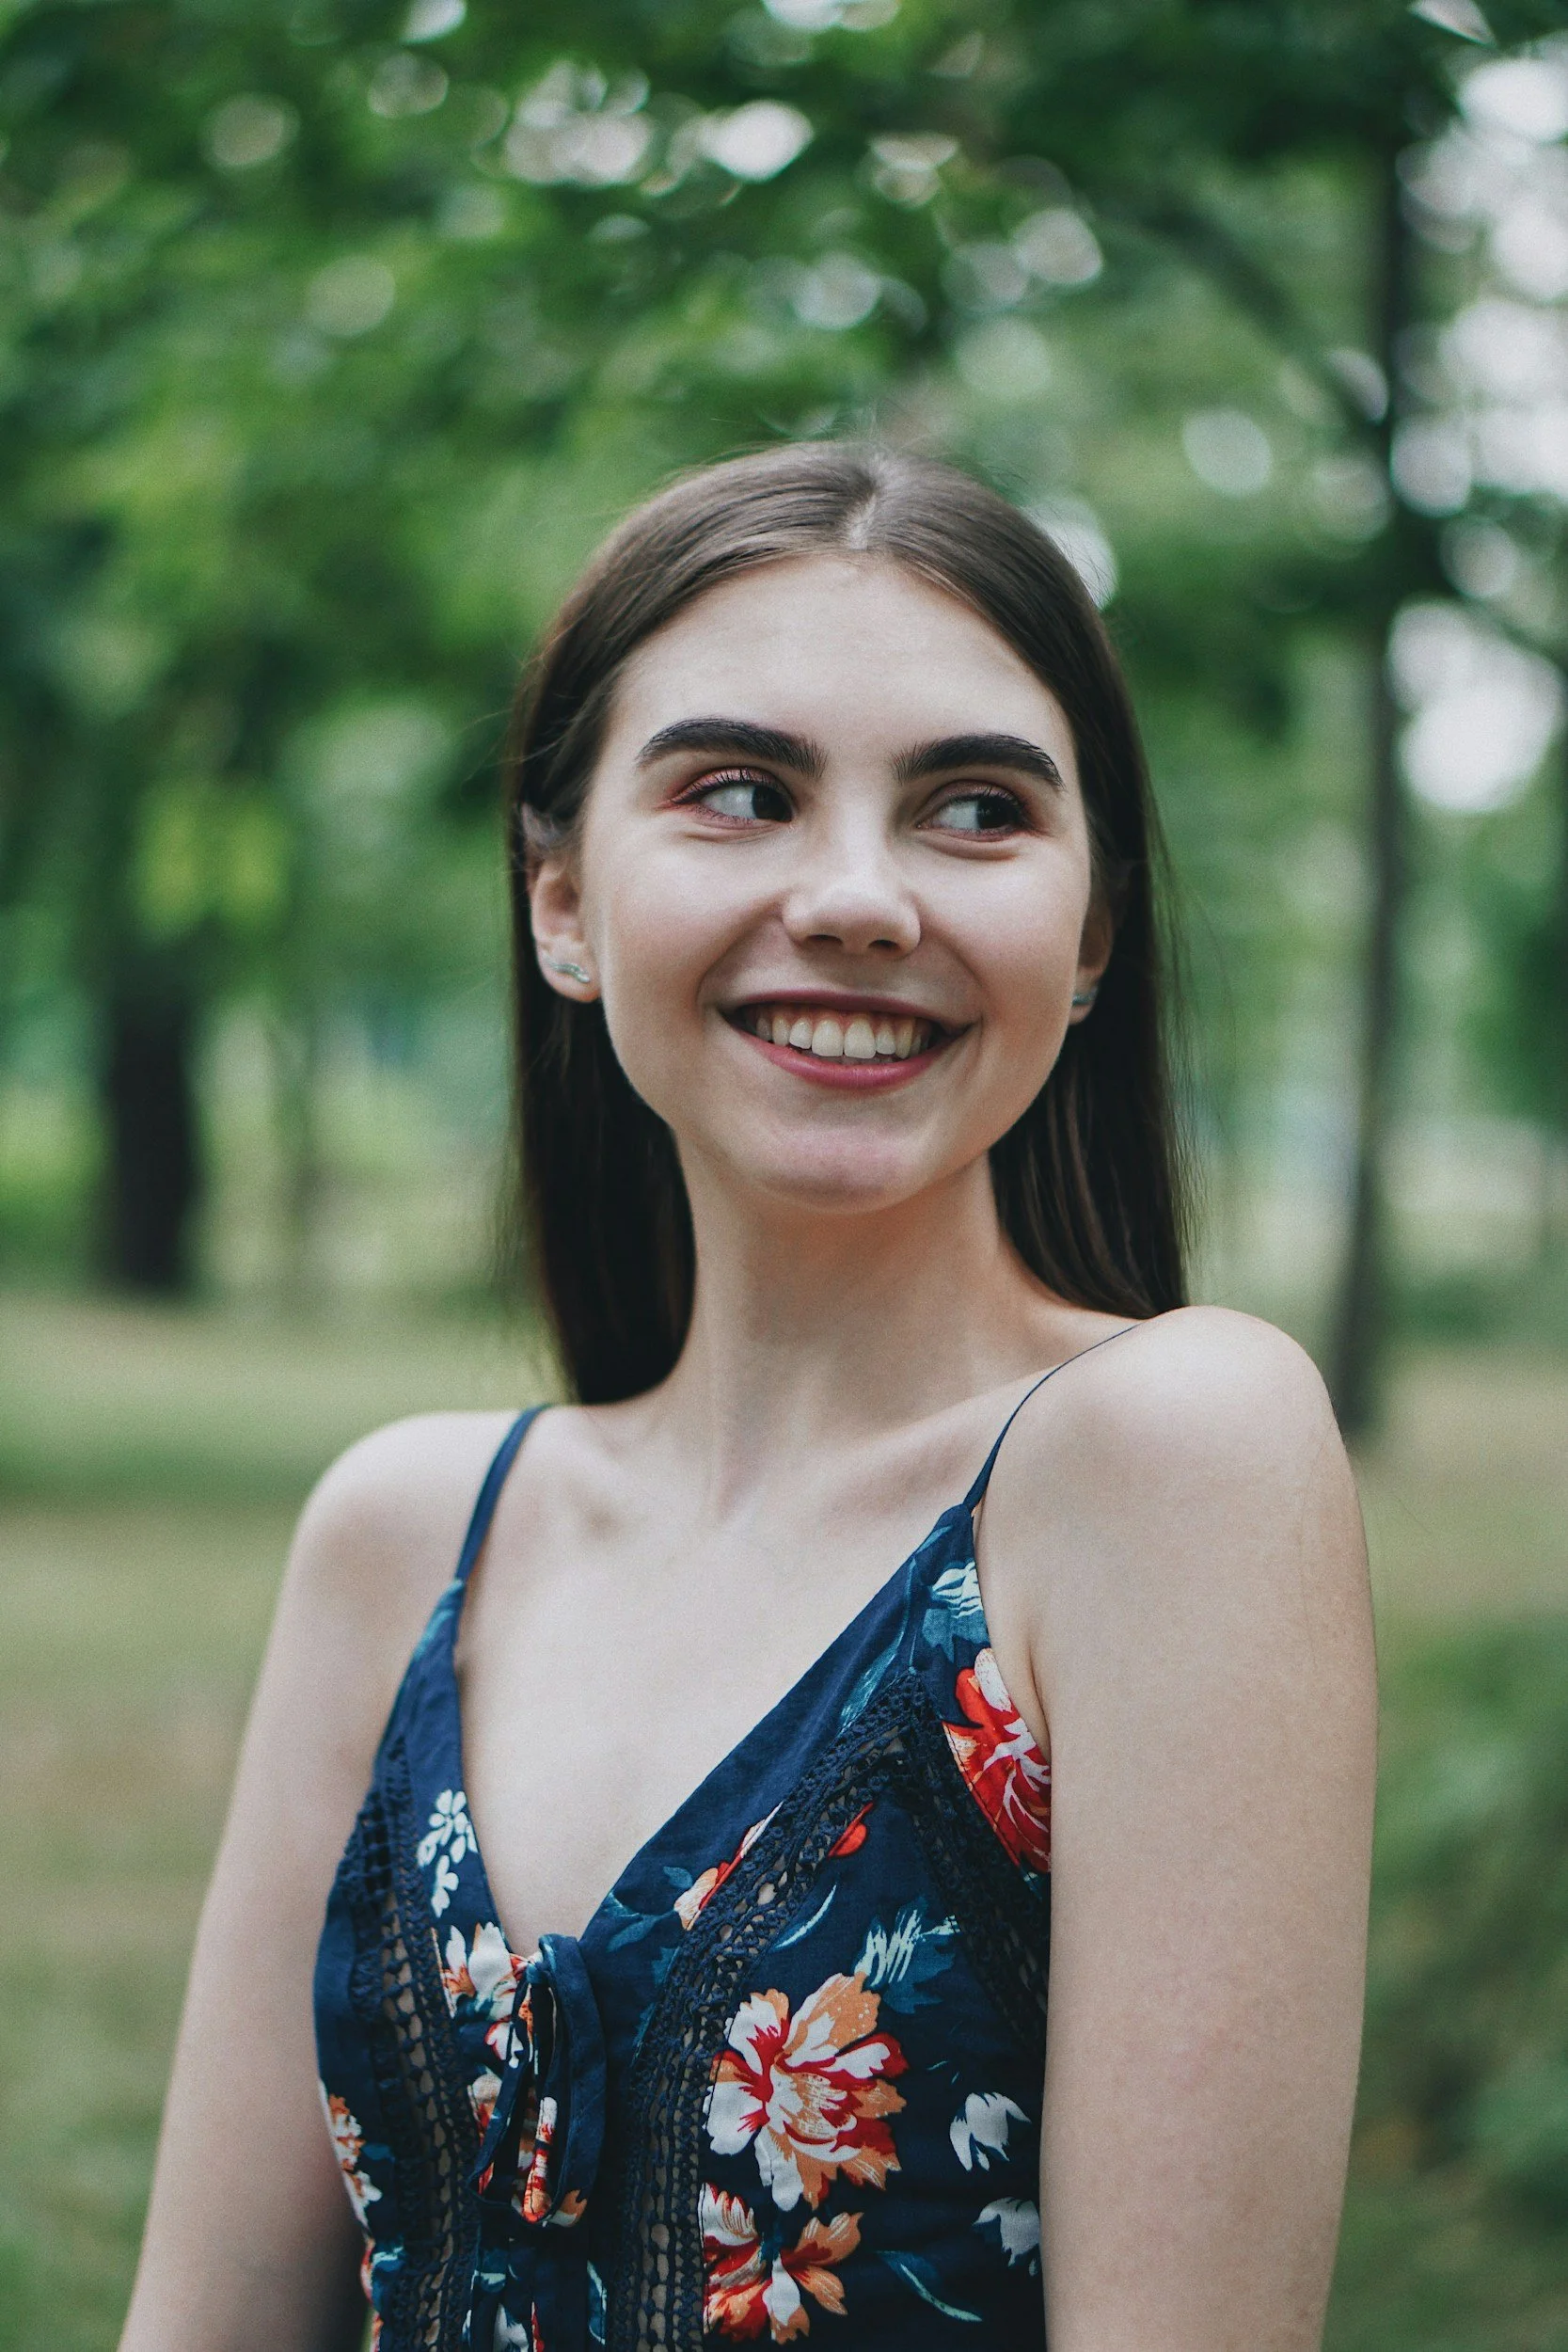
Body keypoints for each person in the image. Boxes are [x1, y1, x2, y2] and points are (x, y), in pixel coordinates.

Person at [119, 444, 1375, 2352]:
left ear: (1091, 930)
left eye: (971, 808)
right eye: (737, 791)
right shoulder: (402, 1534)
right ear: (559, 895)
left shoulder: (1158, 1457)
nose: (857, 895)